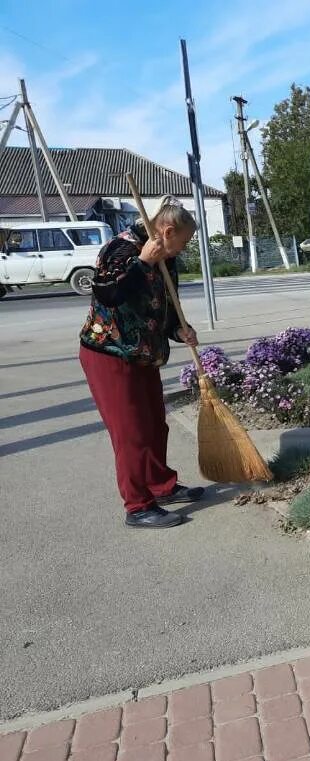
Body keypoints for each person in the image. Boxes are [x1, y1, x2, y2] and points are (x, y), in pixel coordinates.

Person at [79, 197, 205, 529]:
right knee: (131, 432)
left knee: (153, 424)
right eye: (184, 241)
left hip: (144, 353)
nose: (183, 248)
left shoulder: (167, 256)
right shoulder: (119, 250)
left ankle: (161, 487)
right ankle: (137, 505)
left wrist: (180, 330)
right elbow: (108, 294)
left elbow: (163, 307)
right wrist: (143, 263)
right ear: (167, 230)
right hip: (110, 352)